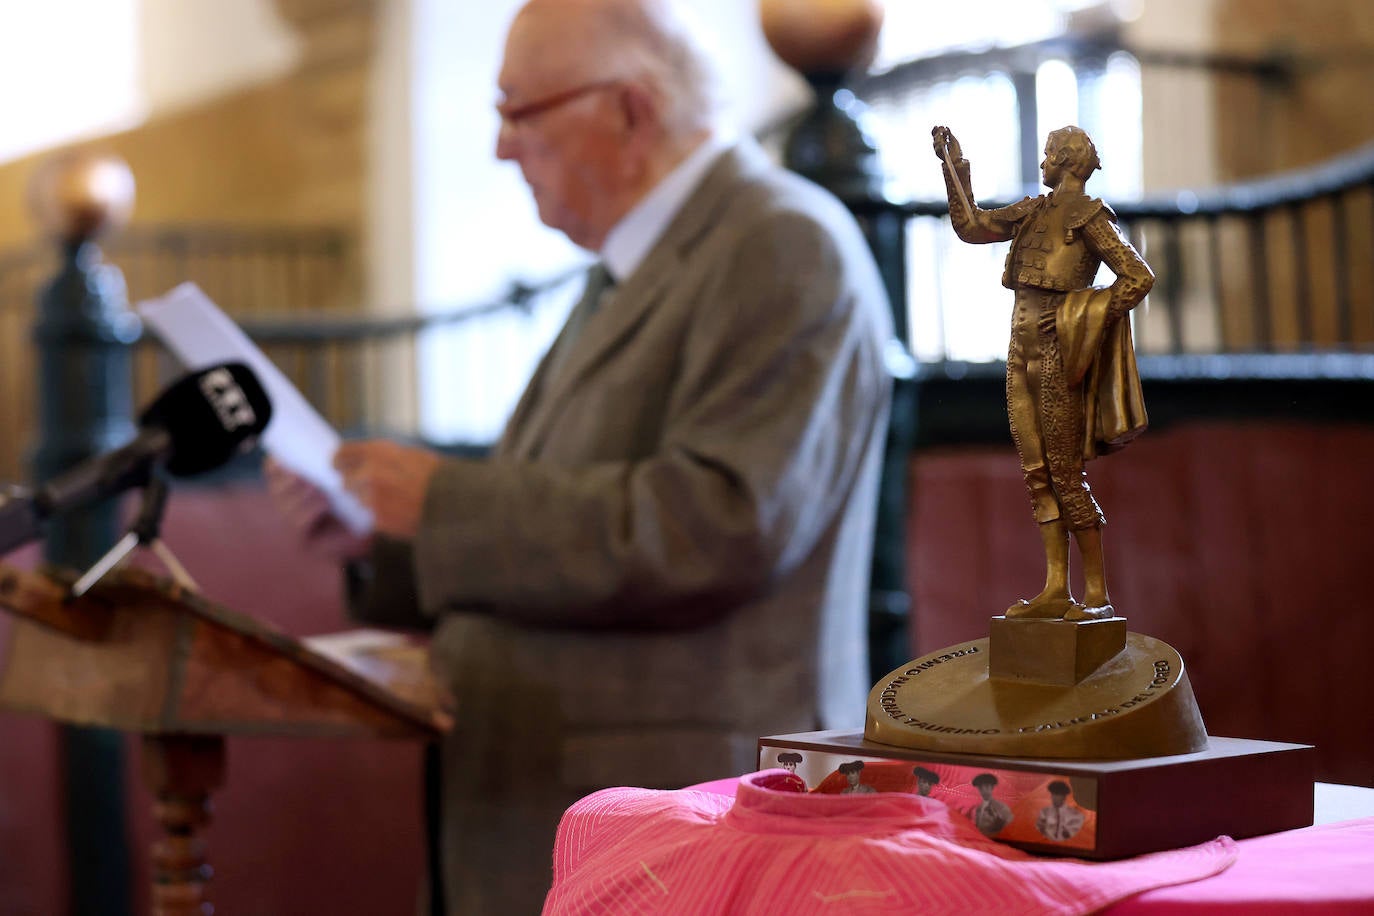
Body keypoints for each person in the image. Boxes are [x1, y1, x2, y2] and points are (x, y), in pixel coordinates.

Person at [267, 1, 892, 911]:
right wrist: (382, 540)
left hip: (682, 821)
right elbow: (567, 504)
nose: (500, 147)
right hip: (565, 808)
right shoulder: (631, 267)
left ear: (628, 111)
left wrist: (441, 507)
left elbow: (719, 523)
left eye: (519, 110)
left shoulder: (781, 244)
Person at [933, 124, 1153, 620]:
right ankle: (1057, 586)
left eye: (1050, 152)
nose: (1043, 160)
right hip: (1020, 348)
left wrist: (1083, 314)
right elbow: (972, 228)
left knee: (1065, 474)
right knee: (1036, 474)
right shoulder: (1033, 210)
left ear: (1070, 161)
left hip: (1058, 352)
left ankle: (1095, 593)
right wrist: (954, 170)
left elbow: (1138, 277)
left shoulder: (1091, 217)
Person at [970, 772, 1013, 837]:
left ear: (992, 788)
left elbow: (1010, 824)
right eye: (981, 788)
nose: (984, 790)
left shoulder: (1001, 807)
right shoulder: (979, 808)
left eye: (987, 787)